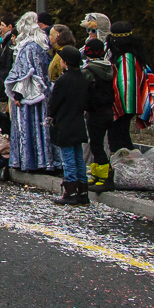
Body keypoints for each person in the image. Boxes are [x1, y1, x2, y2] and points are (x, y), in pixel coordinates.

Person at [5, 12, 58, 172]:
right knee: (42, 127)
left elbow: (23, 74)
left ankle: (30, 161)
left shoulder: (27, 48)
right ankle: (45, 160)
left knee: (27, 127)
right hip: (42, 93)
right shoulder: (40, 47)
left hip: (28, 95)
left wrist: (17, 94)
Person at [47, 46, 90, 206]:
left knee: (68, 158)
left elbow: (54, 102)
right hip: (78, 121)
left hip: (64, 122)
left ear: (65, 62)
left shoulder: (63, 81)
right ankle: (83, 191)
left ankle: (70, 190)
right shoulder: (83, 78)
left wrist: (50, 115)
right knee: (78, 156)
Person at [81, 39, 118, 192]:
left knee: (96, 145)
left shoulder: (89, 70)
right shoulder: (109, 67)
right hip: (108, 109)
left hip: (94, 111)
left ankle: (104, 177)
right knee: (100, 144)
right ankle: (98, 174)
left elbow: (83, 90)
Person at [106, 21, 147, 153]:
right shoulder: (133, 57)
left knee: (119, 138)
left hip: (123, 106)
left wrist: (117, 107)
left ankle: (125, 167)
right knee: (122, 135)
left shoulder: (126, 60)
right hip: (126, 106)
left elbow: (126, 86)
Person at [0, 15, 16, 103]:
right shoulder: (5, 41)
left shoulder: (10, 43)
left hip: (5, 81)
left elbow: (7, 65)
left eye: (2, 25)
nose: (0, 28)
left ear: (10, 27)